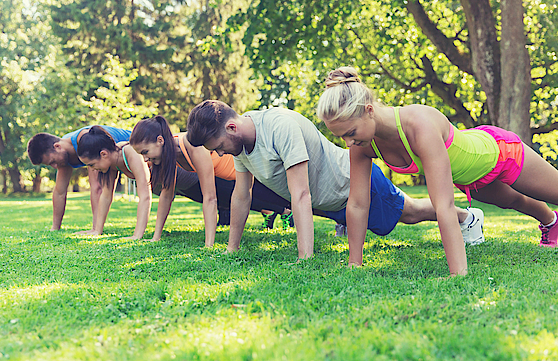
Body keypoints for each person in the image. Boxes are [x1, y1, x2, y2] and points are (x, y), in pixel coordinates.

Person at [317, 66, 558, 276]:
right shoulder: (363, 145)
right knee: (516, 201)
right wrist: (354, 264)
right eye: (341, 137)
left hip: (499, 153)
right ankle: (551, 223)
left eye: (350, 133)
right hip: (472, 178)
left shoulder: (419, 125)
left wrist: (458, 274)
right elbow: (358, 204)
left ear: (369, 110)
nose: (348, 143)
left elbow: (443, 205)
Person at [185, 100, 484, 262]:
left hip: (352, 185)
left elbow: (300, 195)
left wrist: (305, 258)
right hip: (330, 203)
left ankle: (468, 218)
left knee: (409, 213)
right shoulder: (240, 143)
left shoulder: (279, 127)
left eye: (218, 145)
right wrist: (231, 249)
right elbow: (241, 195)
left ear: (232, 127)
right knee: (403, 214)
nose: (219, 153)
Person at [128, 115, 294, 246]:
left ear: (160, 141)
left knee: (298, 200)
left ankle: (289, 214)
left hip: (252, 176)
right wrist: (156, 237)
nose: (144, 159)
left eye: (145, 152)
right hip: (235, 180)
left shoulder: (192, 146)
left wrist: (209, 244)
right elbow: (166, 195)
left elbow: (210, 198)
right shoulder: (169, 155)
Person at [27, 126, 131, 231]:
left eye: (52, 161)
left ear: (57, 146)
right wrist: (55, 228)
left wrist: (95, 230)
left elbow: (98, 188)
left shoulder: (86, 141)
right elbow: (59, 192)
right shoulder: (64, 153)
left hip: (135, 146)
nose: (54, 166)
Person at [76, 126, 151, 239]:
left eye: (91, 164)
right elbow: (106, 196)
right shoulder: (111, 163)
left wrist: (137, 235)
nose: (92, 169)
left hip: (182, 176)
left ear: (104, 154)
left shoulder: (130, 151)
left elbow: (145, 195)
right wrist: (97, 230)